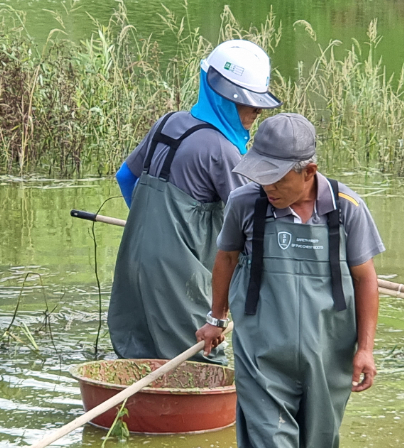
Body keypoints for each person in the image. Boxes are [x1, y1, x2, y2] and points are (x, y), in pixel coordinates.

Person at [196, 113, 385, 448]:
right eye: (260, 175)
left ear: (309, 171)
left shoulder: (347, 207)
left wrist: (365, 349)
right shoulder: (245, 202)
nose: (267, 186)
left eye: (277, 178)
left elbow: (365, 280)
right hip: (263, 345)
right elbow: (226, 259)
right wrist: (215, 319)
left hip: (328, 350)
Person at [108, 40, 282, 365]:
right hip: (179, 275)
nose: (257, 111)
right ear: (224, 98)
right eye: (248, 103)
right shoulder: (223, 151)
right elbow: (252, 230)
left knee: (139, 357)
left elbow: (125, 177)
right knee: (201, 360)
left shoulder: (168, 123)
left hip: (134, 261)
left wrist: (157, 231)